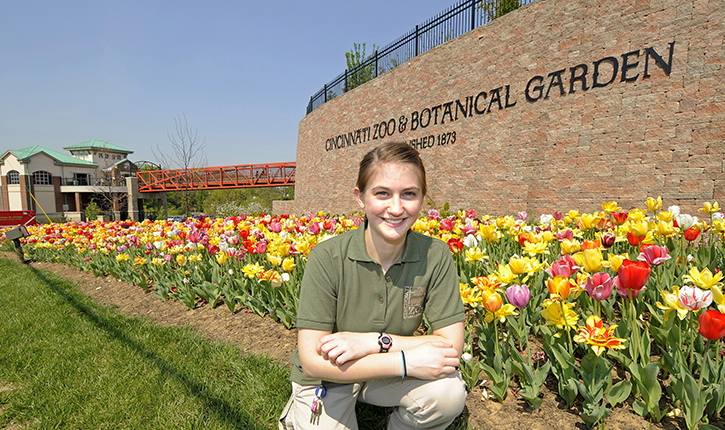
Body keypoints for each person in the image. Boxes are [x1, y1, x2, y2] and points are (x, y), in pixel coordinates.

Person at [280, 141, 467, 429]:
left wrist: (372, 342)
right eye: (382, 194)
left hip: (384, 374)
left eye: (409, 194)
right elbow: (312, 360)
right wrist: (405, 362)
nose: (396, 208)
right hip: (331, 372)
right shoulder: (327, 257)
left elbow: (450, 347)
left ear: (422, 198)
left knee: (448, 394)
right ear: (360, 197)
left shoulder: (435, 254)